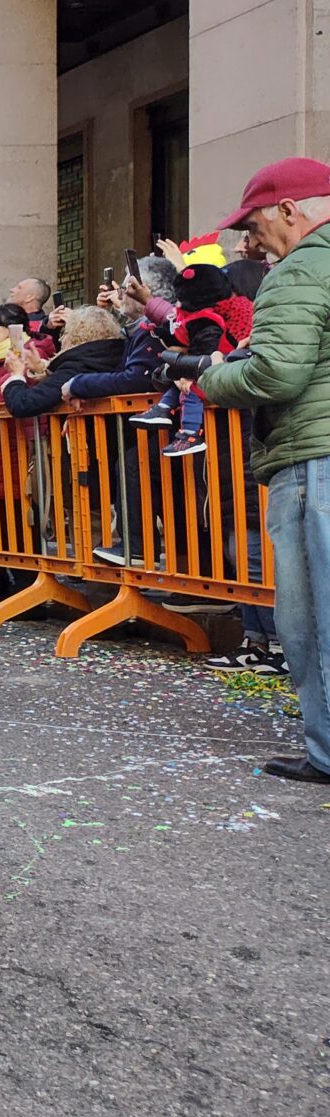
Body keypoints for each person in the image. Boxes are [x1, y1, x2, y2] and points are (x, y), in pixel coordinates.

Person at [179, 158, 330, 782]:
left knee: (312, 618)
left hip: (314, 459)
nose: (251, 240)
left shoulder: (299, 270)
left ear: (288, 211)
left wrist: (206, 377)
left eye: (255, 225)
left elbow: (277, 373)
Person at [127, 240, 253, 459]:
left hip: (231, 415)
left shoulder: (231, 315)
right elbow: (178, 322)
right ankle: (165, 408)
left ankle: (189, 434)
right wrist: (149, 304)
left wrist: (189, 370)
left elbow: (201, 340)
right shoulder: (205, 311)